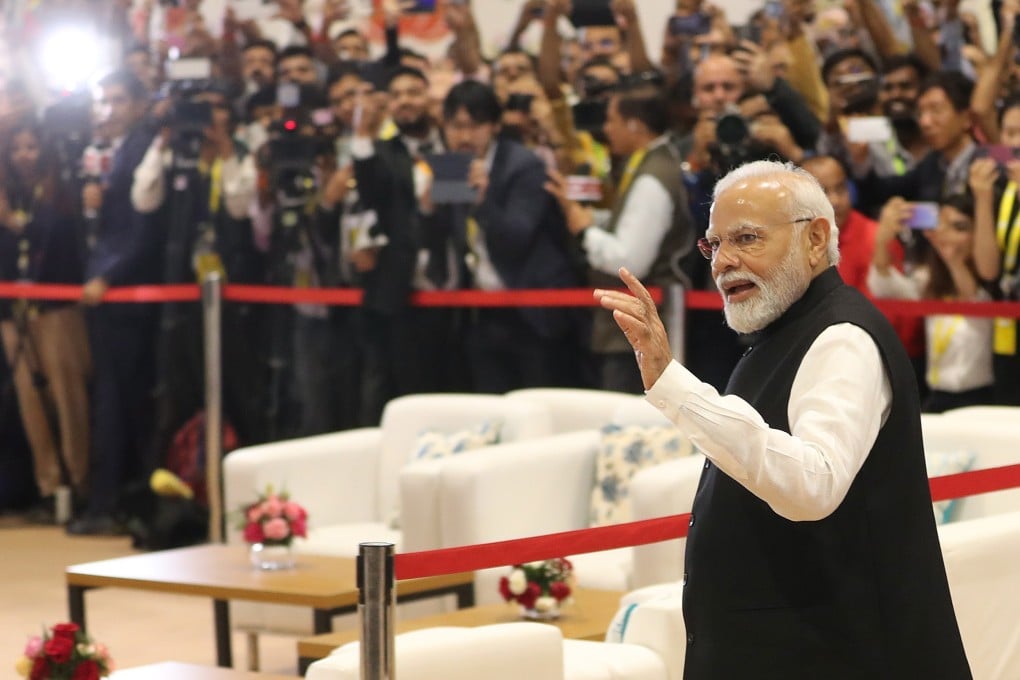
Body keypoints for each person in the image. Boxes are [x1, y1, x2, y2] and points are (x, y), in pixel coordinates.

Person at [594, 160, 970, 678]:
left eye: (746, 238)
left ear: (815, 240)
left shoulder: (843, 339)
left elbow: (811, 487)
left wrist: (674, 385)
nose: (724, 262)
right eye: (714, 244)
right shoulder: (783, 331)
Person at [545, 80, 694, 393]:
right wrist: (589, 217)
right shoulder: (647, 163)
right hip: (635, 328)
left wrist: (585, 230)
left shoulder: (653, 176)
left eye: (612, 120)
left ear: (634, 124)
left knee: (630, 415)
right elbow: (630, 225)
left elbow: (630, 260)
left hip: (642, 329)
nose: (606, 129)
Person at [439, 81, 581, 392]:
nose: (464, 136)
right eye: (456, 126)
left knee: (537, 402)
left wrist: (482, 202)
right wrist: (425, 209)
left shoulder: (524, 165)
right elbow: (442, 241)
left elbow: (516, 238)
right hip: (481, 310)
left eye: (474, 125)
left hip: (532, 310)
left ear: (494, 126)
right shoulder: (452, 165)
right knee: (489, 403)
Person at [0, 122, 91, 523]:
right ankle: (49, 486)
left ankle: (79, 483)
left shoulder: (61, 193)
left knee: (67, 397)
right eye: (16, 149)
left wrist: (14, 222)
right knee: (30, 403)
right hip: (13, 313)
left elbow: (58, 240)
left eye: (31, 147)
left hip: (56, 309)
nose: (24, 156)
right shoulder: (8, 192)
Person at [870, 194, 993, 413]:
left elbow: (974, 301)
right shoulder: (929, 280)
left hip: (978, 400)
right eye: (942, 225)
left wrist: (953, 261)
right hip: (936, 397)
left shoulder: (993, 280)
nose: (948, 235)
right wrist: (882, 240)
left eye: (959, 227)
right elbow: (885, 287)